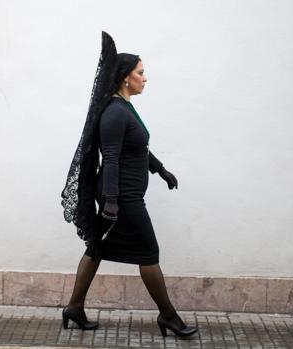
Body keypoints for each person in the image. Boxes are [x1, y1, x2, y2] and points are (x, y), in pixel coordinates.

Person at [60, 32, 198, 337]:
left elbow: (137, 148)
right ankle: (169, 317)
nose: (145, 79)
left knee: (96, 247)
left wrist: (160, 170)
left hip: (124, 192)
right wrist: (111, 200)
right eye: (140, 73)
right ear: (125, 78)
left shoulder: (125, 109)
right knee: (148, 252)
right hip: (121, 195)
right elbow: (110, 157)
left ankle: (74, 307)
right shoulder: (113, 113)